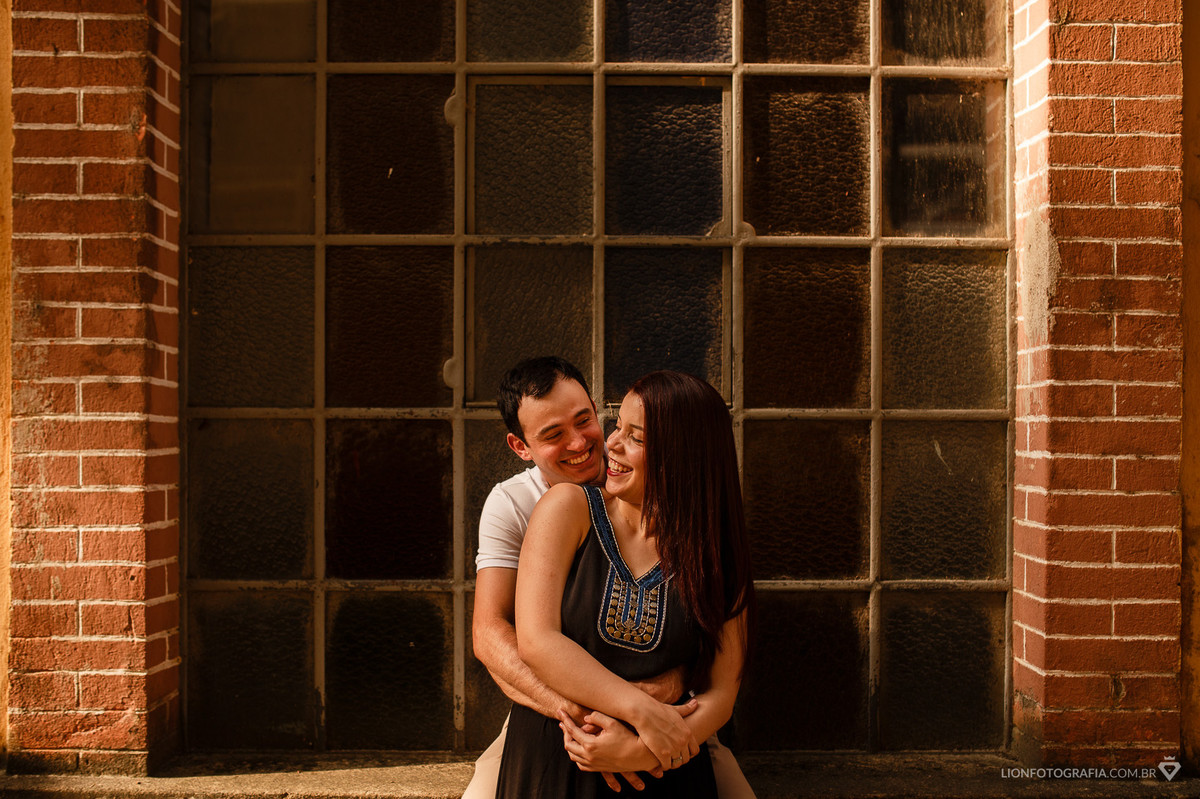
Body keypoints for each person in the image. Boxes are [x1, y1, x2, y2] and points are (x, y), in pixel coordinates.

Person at [465, 358, 755, 798]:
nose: (592, 444)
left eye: (589, 421)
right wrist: (623, 714)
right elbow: (499, 635)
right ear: (521, 446)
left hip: (670, 737)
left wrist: (644, 748)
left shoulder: (714, 546)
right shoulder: (531, 504)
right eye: (553, 435)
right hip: (560, 723)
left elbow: (722, 688)